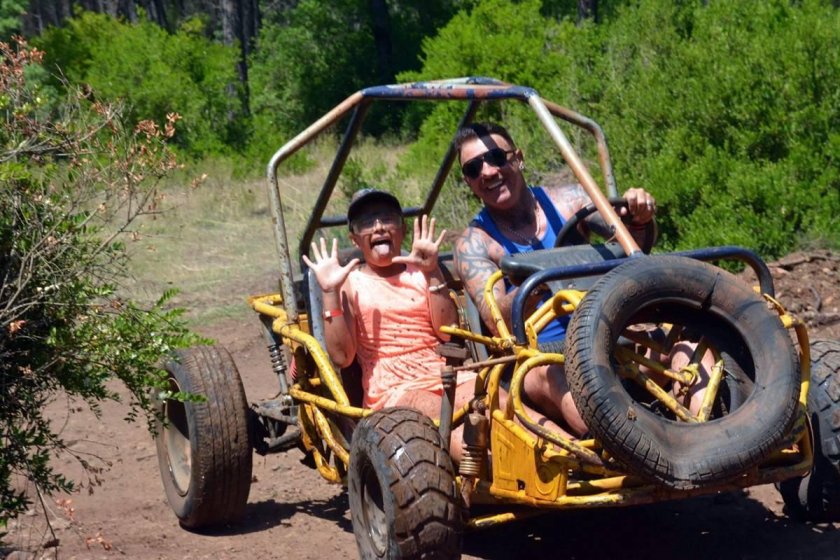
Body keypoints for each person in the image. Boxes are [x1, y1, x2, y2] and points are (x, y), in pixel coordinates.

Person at [452, 122, 663, 436]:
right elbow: (501, 323)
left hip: (608, 327)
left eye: (496, 157)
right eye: (473, 168)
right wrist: (538, 282)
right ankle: (628, 449)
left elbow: (632, 247)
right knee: (552, 376)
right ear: (469, 181)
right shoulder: (475, 244)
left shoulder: (570, 202)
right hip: (540, 355)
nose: (488, 171)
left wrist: (639, 217)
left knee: (683, 341)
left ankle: (720, 442)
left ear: (518, 158)